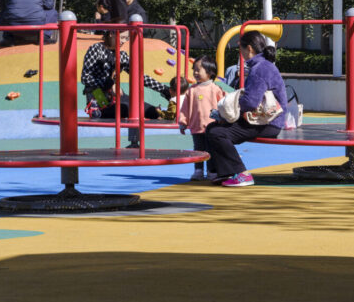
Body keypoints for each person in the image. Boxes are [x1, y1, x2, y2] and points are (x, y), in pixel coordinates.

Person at [195, 31, 289, 186]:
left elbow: (250, 102)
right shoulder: (263, 65)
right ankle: (224, 172)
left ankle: (242, 173)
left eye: (242, 49)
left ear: (249, 48)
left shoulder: (259, 68)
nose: (242, 53)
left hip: (268, 122)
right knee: (212, 127)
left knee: (217, 132)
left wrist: (227, 113)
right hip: (267, 119)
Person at [81, 30, 172, 147]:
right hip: (97, 96)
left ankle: (135, 143)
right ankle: (132, 141)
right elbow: (85, 77)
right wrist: (107, 83)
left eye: (126, 38)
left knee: (153, 111)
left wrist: (164, 89)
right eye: (122, 37)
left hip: (116, 97)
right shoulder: (96, 50)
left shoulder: (122, 55)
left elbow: (139, 76)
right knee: (126, 108)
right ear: (111, 33)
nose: (124, 41)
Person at [177, 57, 224, 182]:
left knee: (210, 149)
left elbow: (223, 104)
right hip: (196, 126)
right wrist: (183, 122)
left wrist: (223, 119)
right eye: (194, 70)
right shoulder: (191, 90)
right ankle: (198, 170)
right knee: (198, 149)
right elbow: (185, 108)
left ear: (210, 72)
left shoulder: (215, 89)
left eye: (198, 70)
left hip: (212, 126)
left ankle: (211, 170)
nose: (195, 73)